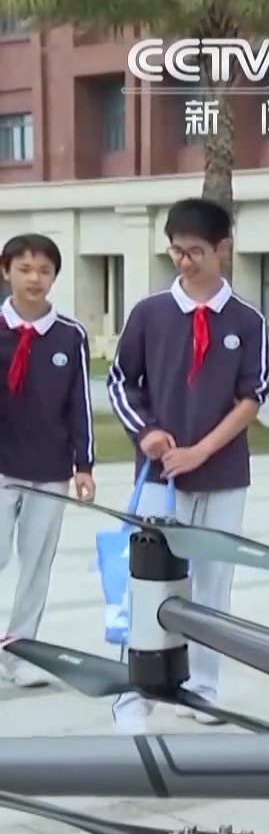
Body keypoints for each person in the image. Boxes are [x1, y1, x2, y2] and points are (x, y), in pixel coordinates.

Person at [105, 198, 269, 730]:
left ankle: (202, 687)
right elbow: (121, 381)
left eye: (196, 251)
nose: (184, 261)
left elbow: (253, 396)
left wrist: (202, 450)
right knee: (150, 581)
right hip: (160, 476)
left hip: (223, 476)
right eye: (176, 251)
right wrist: (148, 432)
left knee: (213, 582)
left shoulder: (247, 320)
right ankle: (137, 690)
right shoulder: (150, 313)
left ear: (222, 247)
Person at [0, 233, 96, 688]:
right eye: (24, 269)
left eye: (44, 270)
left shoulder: (70, 335)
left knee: (37, 563)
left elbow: (80, 402)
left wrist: (84, 464)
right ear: (6, 273)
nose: (34, 279)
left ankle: (20, 651)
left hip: (50, 468)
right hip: (2, 465)